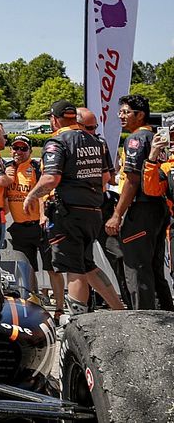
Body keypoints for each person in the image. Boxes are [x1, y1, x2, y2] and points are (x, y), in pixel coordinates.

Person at [23, 99, 124, 315]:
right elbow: (106, 176)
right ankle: (120, 311)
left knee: (73, 269)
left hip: (67, 213)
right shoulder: (97, 142)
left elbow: (50, 179)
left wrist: (31, 196)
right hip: (93, 211)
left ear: (54, 120)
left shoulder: (57, 142)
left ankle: (76, 321)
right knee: (88, 265)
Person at [105, 95, 173, 310]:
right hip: (159, 208)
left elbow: (133, 180)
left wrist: (117, 214)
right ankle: (166, 315)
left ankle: (141, 321)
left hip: (142, 209)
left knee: (136, 267)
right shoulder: (154, 136)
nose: (121, 116)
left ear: (140, 114)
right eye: (120, 112)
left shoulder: (135, 139)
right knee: (153, 268)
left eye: (126, 112)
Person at [4, 135, 65, 319]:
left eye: (23, 148)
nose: (19, 152)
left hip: (39, 226)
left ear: (30, 151)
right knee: (26, 271)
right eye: (16, 148)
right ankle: (32, 306)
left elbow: (44, 191)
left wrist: (43, 215)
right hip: (19, 227)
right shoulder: (8, 169)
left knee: (52, 268)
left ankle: (60, 308)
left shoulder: (36, 167)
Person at [76, 107, 131, 308]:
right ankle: (89, 303)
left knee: (118, 257)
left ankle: (128, 303)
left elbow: (108, 176)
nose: (93, 131)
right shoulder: (66, 142)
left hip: (99, 207)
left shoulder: (99, 143)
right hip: (79, 211)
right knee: (81, 262)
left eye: (95, 128)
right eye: (89, 128)